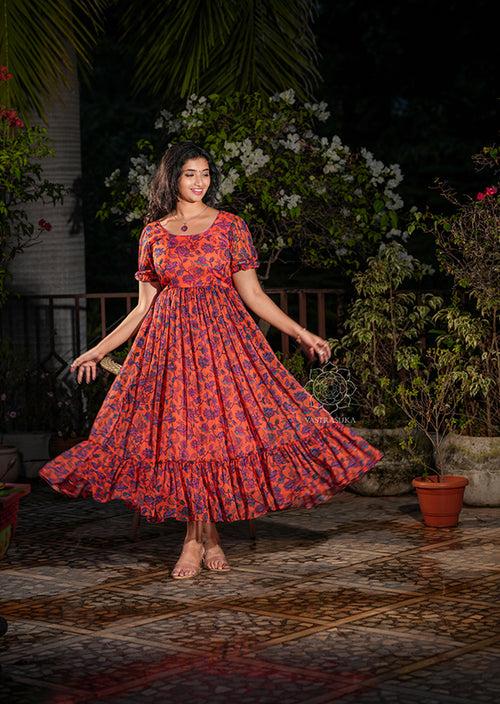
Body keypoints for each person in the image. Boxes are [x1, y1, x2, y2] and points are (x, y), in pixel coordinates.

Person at [39, 141, 384, 579]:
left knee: (216, 438)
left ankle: (197, 540)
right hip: (169, 350)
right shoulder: (153, 233)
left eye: (205, 173)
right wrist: (98, 349)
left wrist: (302, 333)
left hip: (224, 346)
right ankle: (203, 538)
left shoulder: (230, 227)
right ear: (172, 178)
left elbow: (254, 294)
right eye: (190, 174)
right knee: (184, 440)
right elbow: (143, 306)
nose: (199, 182)